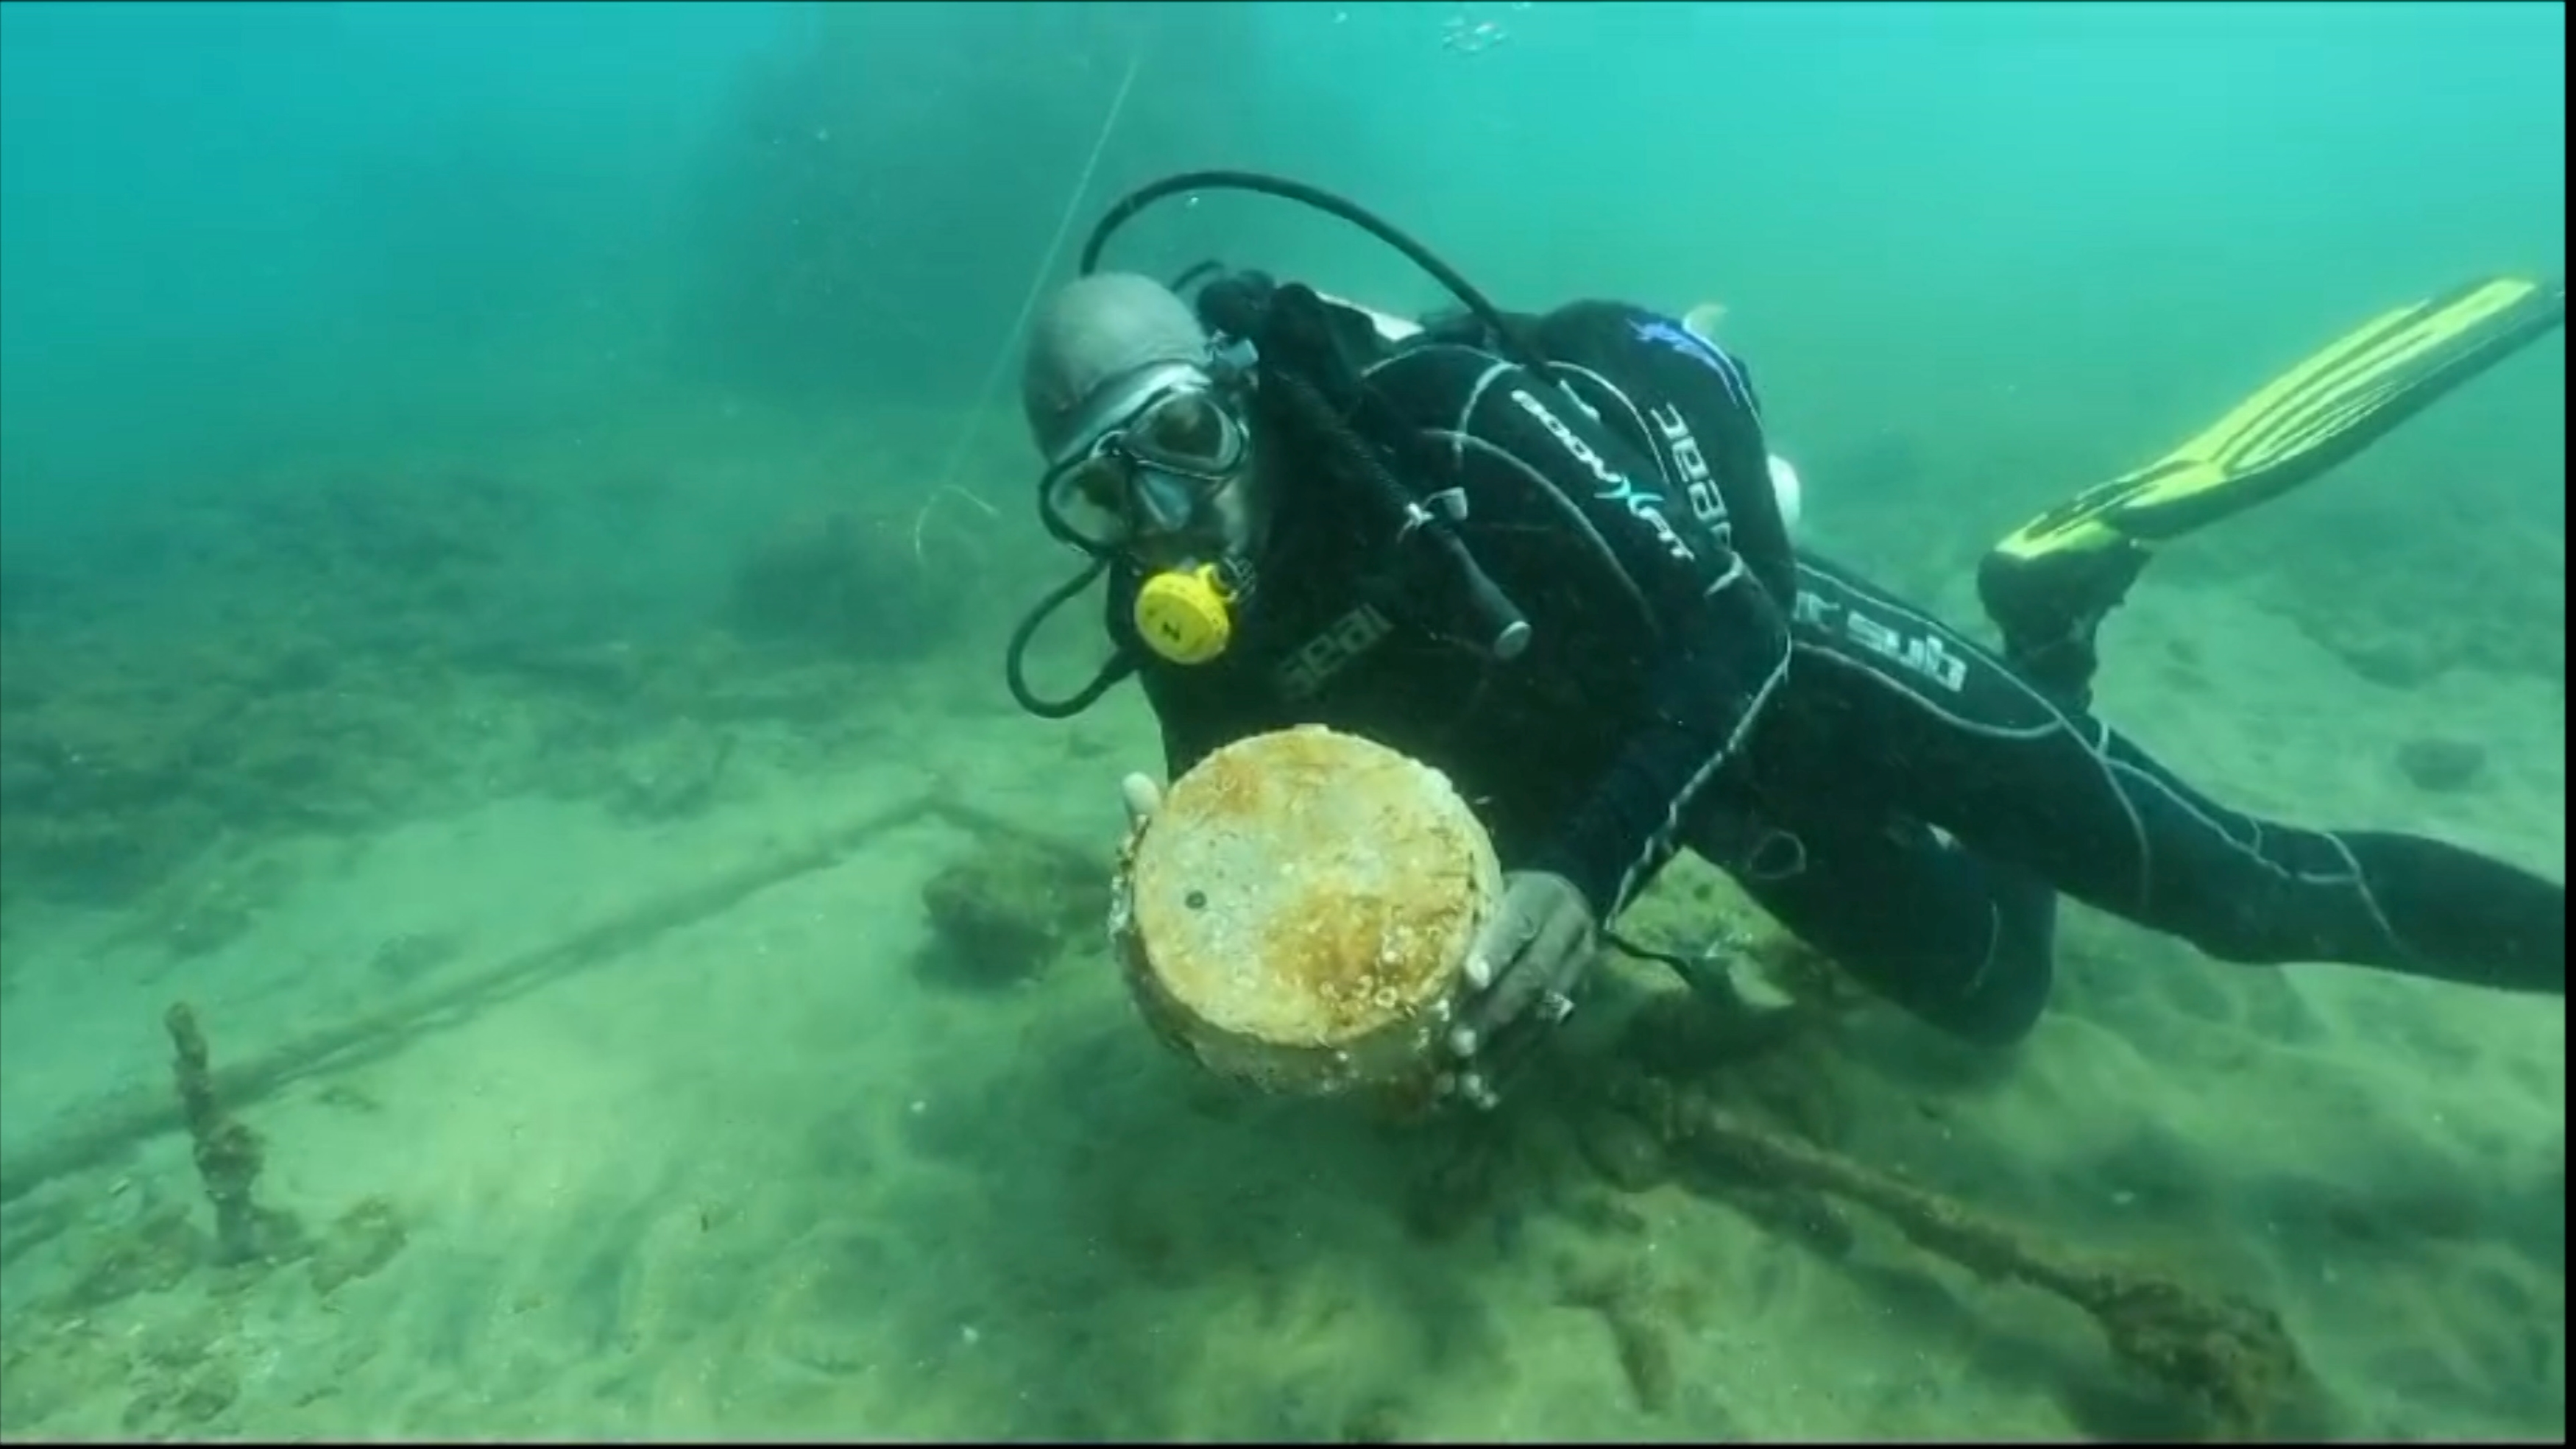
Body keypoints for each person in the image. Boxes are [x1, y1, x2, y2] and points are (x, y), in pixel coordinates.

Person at [1010, 264, 2566, 1108]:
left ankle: (2044, 586)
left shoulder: (1448, 422)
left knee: (2243, 894)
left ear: (1240, 395)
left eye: (1181, 441)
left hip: (1791, 663)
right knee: (1994, 1002)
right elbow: (1268, 820)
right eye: (1103, 492)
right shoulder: (1176, 620)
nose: (1164, 513)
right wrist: (1188, 927)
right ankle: (2055, 627)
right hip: (1682, 787)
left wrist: (1584, 868)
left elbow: (1734, 625)